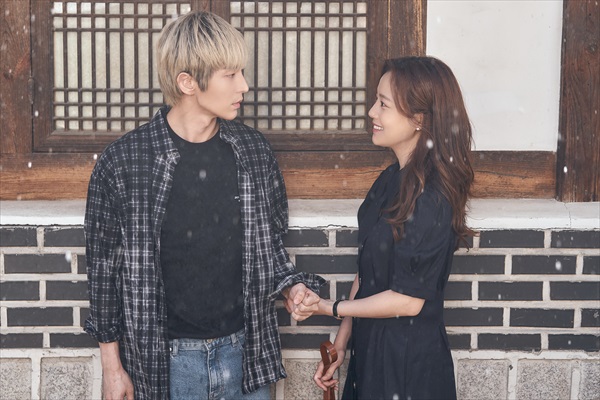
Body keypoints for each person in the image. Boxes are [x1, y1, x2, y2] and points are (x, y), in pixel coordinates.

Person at [84, 11, 325, 400]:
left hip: (246, 354)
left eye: (241, 72)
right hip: (167, 363)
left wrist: (292, 288)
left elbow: (269, 249)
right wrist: (112, 369)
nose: (244, 85)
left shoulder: (252, 151)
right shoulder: (125, 162)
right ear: (187, 82)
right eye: (230, 75)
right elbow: (103, 273)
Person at [303, 56, 475, 399]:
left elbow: (408, 301)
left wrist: (329, 307)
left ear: (418, 119)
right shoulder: (389, 180)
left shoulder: (433, 197)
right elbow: (367, 272)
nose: (372, 112)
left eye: (383, 104)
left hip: (409, 362)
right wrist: (341, 342)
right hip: (370, 352)